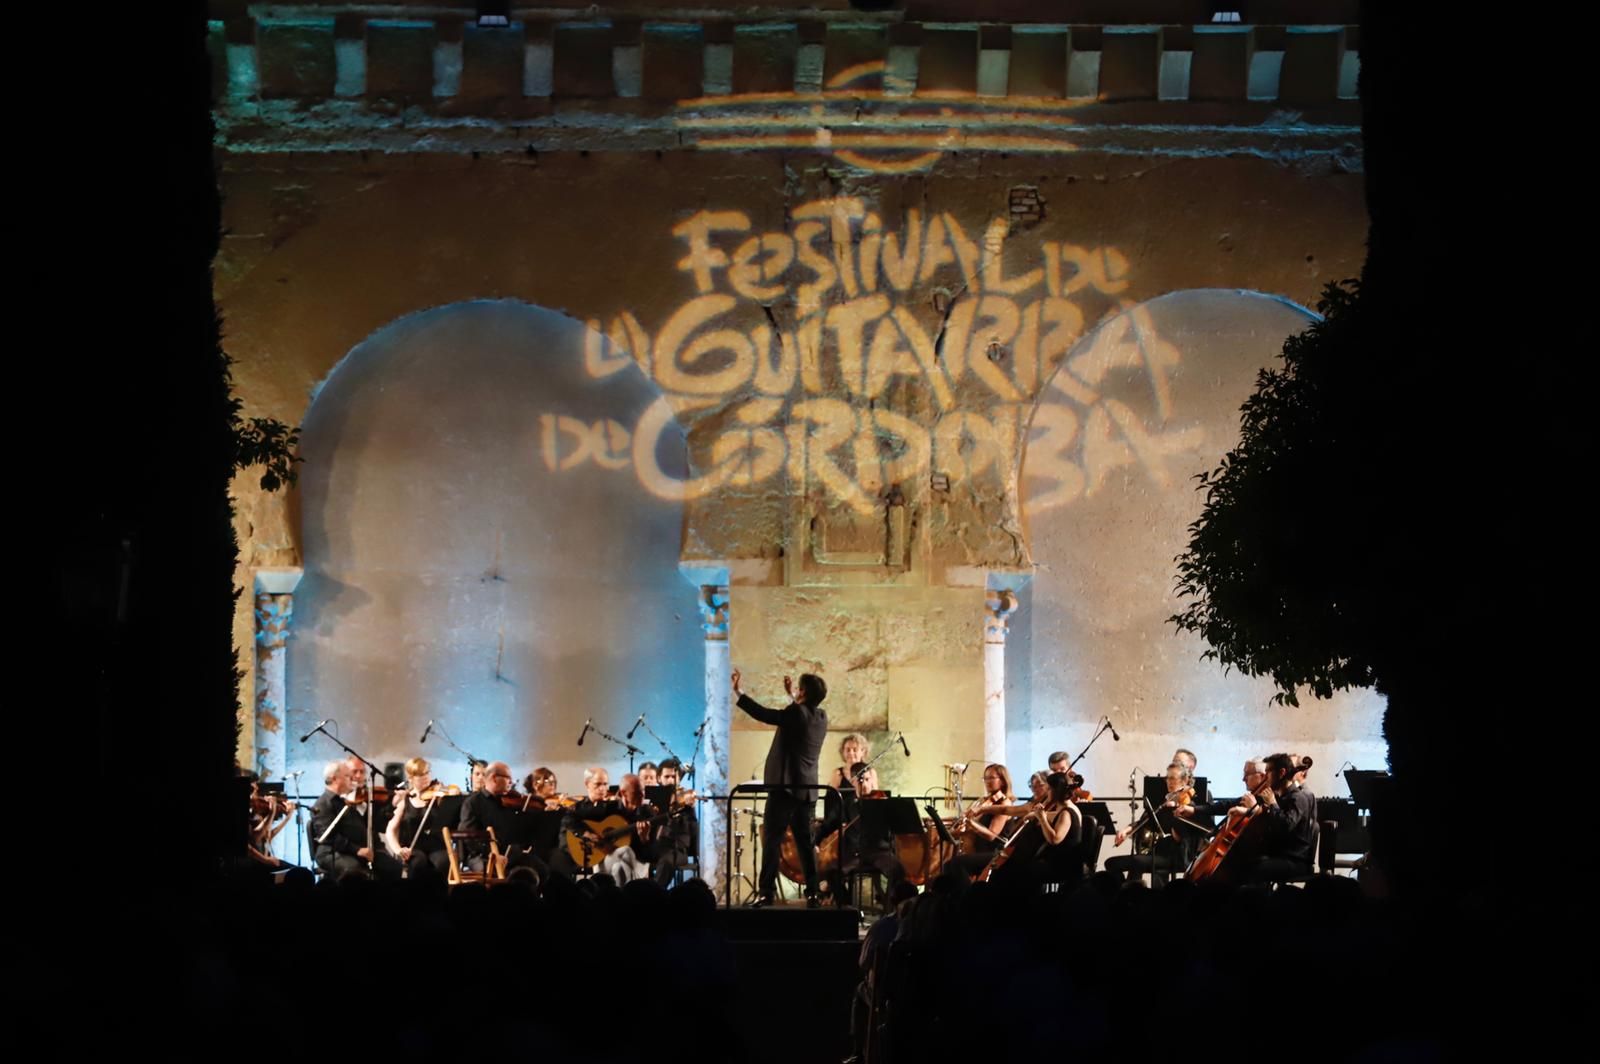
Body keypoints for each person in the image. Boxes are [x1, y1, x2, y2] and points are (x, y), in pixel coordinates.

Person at [733, 667, 829, 908]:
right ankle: (814, 893)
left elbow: (766, 714)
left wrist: (739, 693)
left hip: (785, 789)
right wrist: (791, 696)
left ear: (804, 692)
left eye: (799, 688)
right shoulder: (821, 717)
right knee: (805, 843)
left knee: (772, 839)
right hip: (807, 790)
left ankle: (766, 892)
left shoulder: (795, 715)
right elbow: (797, 716)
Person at [310, 761, 401, 879]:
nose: (352, 779)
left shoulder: (343, 802)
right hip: (332, 852)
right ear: (335, 779)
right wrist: (357, 850)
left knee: (394, 867)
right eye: (347, 776)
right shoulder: (323, 804)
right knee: (354, 871)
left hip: (354, 850)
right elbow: (330, 837)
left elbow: (363, 826)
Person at [384, 756, 452, 879]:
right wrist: (398, 849)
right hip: (412, 848)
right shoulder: (405, 800)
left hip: (436, 846)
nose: (426, 777)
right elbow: (391, 830)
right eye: (421, 775)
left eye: (427, 773)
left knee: (444, 861)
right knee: (418, 862)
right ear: (410, 778)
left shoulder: (438, 796)